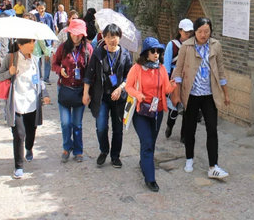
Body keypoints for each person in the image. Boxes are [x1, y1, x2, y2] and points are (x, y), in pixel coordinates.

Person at [171, 17, 230, 179]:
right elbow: (178, 71)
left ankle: (213, 166)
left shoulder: (216, 46)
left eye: (207, 31)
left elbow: (221, 70)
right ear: (194, 32)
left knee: (212, 129)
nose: (203, 35)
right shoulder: (186, 46)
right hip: (191, 94)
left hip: (209, 95)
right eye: (200, 31)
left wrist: (226, 93)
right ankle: (189, 158)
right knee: (190, 129)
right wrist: (176, 93)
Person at [125, 37, 176, 192]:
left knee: (151, 143)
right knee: (147, 142)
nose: (156, 54)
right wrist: (138, 94)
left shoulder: (161, 69)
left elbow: (165, 88)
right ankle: (150, 178)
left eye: (158, 51)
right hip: (141, 112)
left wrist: (173, 86)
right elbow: (128, 86)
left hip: (157, 112)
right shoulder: (137, 68)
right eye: (153, 51)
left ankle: (144, 162)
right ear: (146, 53)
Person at [0, 38, 51, 179]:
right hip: (16, 103)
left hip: (32, 102)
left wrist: (44, 94)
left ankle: (29, 147)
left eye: (34, 42)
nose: (33, 45)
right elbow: (0, 76)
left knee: (31, 131)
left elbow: (39, 79)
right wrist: (10, 72)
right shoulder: (10, 58)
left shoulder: (35, 59)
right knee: (19, 135)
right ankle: (18, 166)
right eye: (30, 43)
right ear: (20, 45)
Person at [83, 23, 132, 168]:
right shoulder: (98, 53)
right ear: (104, 37)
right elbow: (89, 75)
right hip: (102, 97)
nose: (112, 40)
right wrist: (86, 93)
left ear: (119, 37)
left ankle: (115, 156)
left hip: (119, 98)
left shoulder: (125, 54)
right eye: (109, 37)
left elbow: (129, 76)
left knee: (118, 129)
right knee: (101, 126)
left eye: (115, 36)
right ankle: (104, 150)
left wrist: (120, 88)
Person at [52, 19, 93, 163]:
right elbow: (54, 64)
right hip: (64, 88)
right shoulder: (63, 48)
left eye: (79, 34)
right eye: (74, 34)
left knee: (77, 123)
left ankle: (78, 150)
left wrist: (88, 92)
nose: (76, 37)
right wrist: (60, 70)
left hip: (80, 90)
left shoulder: (88, 49)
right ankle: (66, 147)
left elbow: (91, 71)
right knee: (65, 123)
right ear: (69, 33)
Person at [163, 18, 194, 140]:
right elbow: (166, 65)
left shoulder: (193, 45)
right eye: (185, 31)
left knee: (187, 107)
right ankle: (170, 125)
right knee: (175, 106)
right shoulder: (172, 45)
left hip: (188, 78)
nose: (188, 34)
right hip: (175, 79)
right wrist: (167, 83)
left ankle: (184, 135)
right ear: (180, 31)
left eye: (190, 32)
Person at [35, 1, 56, 84]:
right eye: (39, 8)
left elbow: (52, 28)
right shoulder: (35, 16)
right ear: (37, 8)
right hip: (37, 41)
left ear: (45, 8)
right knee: (38, 60)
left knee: (47, 60)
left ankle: (46, 78)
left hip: (47, 40)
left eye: (42, 8)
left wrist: (53, 40)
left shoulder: (49, 16)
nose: (41, 10)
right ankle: (39, 76)